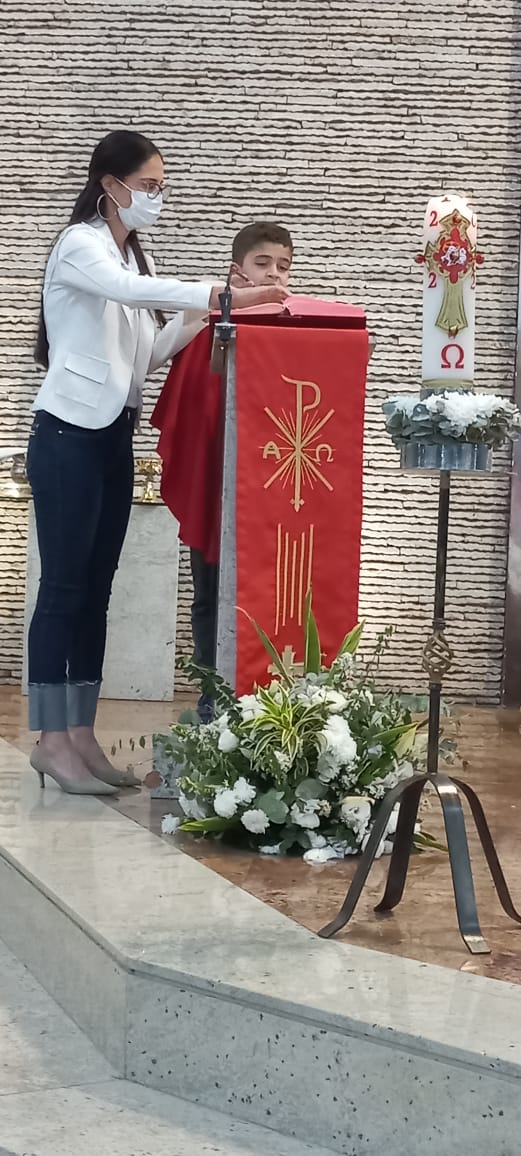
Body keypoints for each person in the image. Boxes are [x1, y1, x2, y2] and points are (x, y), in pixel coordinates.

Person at [27, 131, 288, 795]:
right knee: (63, 588)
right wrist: (220, 295)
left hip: (112, 435)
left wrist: (210, 311)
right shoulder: (81, 245)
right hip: (66, 433)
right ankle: (50, 740)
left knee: (97, 588)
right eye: (148, 186)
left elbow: (149, 353)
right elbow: (130, 291)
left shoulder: (132, 258)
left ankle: (81, 732)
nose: (155, 197)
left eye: (160, 187)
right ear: (109, 185)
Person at [152, 222, 293, 721]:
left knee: (269, 593)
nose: (273, 275)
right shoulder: (207, 325)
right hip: (215, 482)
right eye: (262, 264)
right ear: (236, 270)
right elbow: (193, 406)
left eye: (283, 266)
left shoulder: (292, 331)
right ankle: (212, 698)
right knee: (209, 593)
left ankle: (268, 701)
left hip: (271, 485)